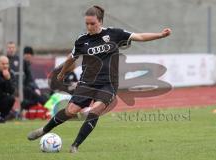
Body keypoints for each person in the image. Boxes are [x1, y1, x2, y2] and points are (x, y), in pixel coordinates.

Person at [27, 5, 172, 153]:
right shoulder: (82, 40)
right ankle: (44, 130)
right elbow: (72, 58)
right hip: (87, 83)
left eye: (92, 23)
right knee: (70, 111)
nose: (89, 27)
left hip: (108, 84)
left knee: (95, 111)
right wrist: (62, 73)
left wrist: (160, 35)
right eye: (87, 24)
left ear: (100, 22)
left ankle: (74, 146)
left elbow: (140, 37)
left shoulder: (115, 34)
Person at [0, 56, 16, 123]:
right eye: (3, 64)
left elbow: (11, 91)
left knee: (11, 99)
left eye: (7, 64)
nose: (5, 66)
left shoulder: (10, 74)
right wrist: (4, 80)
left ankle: (1, 117)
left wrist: (8, 79)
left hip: (1, 100)